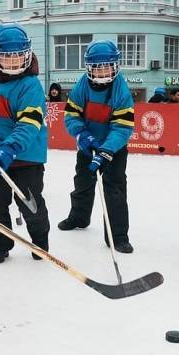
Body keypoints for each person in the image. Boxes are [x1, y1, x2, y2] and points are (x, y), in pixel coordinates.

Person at [0, 22, 50, 264]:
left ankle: (40, 242)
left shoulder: (30, 85)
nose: (13, 62)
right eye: (6, 56)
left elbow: (29, 125)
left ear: (27, 53)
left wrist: (9, 149)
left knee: (29, 202)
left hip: (27, 152)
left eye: (18, 55)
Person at [58, 40, 136, 254]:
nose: (102, 72)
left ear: (115, 66)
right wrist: (82, 135)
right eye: (97, 67)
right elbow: (71, 114)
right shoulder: (82, 85)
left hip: (114, 149)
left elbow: (123, 127)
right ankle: (79, 217)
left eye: (107, 67)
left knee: (115, 190)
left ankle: (118, 236)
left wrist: (106, 150)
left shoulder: (121, 90)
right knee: (82, 183)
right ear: (89, 67)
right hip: (88, 145)